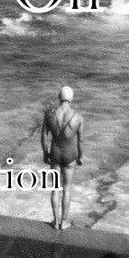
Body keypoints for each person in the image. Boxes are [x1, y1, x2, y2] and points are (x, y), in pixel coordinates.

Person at [41, 86, 83, 230]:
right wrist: (80, 157)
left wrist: (45, 153)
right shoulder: (78, 116)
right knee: (67, 189)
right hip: (70, 154)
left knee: (55, 188)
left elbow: (44, 136)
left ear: (59, 97)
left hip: (55, 154)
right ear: (71, 99)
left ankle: (55, 221)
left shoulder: (50, 114)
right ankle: (64, 222)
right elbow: (80, 141)